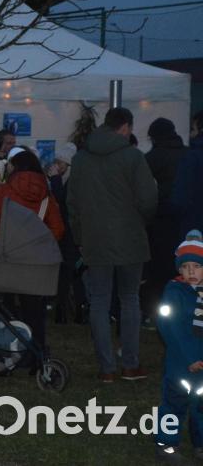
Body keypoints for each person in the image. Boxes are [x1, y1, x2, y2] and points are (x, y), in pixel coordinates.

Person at [67, 107, 157, 382]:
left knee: (99, 302)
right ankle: (130, 364)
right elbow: (148, 199)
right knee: (129, 299)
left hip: (94, 239)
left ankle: (107, 369)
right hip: (130, 238)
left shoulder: (81, 159)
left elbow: (72, 203)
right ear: (126, 127)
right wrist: (141, 221)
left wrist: (80, 238)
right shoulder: (133, 157)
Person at [0, 146, 64, 358]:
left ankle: (9, 350)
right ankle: (36, 353)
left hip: (7, 259)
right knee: (34, 311)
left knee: (6, 308)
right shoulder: (46, 195)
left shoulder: (4, 191)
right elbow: (57, 229)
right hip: (36, 263)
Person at [154, 230, 203, 462]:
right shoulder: (174, 293)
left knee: (201, 406)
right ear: (179, 269)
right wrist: (189, 358)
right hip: (180, 365)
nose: (191, 272)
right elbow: (170, 328)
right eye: (186, 267)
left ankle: (200, 443)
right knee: (173, 404)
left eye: (197, 265)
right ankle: (166, 444)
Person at [144, 118, 188, 327]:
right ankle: (184, 312)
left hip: (160, 220)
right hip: (186, 222)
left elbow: (142, 189)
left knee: (159, 271)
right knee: (185, 269)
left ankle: (157, 313)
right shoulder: (187, 153)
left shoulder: (153, 157)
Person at [48, 143, 86, 324]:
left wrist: (54, 180)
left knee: (70, 273)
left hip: (72, 234)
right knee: (69, 273)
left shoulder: (71, 182)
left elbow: (64, 203)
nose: (57, 166)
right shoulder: (70, 180)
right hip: (68, 233)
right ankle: (68, 310)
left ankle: (72, 310)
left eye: (60, 163)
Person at [172, 111, 203, 242]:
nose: (190, 133)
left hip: (194, 227)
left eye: (193, 129)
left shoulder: (192, 157)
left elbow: (180, 198)